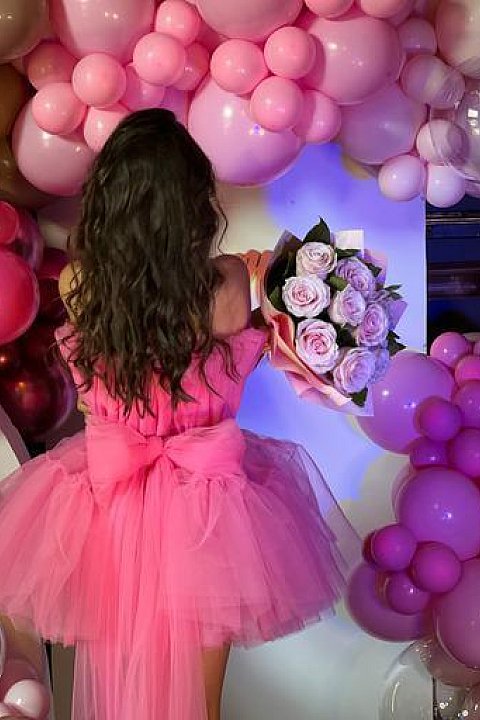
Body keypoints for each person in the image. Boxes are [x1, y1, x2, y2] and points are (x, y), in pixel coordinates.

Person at [0, 109, 358, 720]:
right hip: (210, 509)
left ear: (111, 202)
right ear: (193, 204)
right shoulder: (230, 284)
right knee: (202, 703)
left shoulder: (79, 285)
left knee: (120, 673)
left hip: (109, 506)